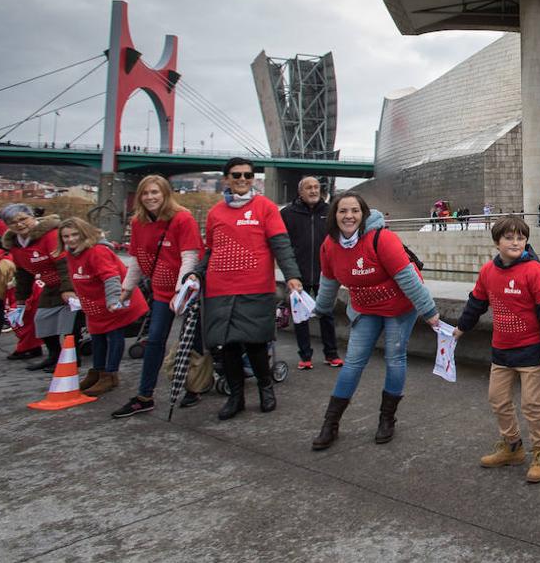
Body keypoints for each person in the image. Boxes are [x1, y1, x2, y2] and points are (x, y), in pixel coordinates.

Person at [310, 192, 440, 450]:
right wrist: (320, 308)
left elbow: (408, 279)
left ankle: (386, 419)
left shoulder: (382, 239)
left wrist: (430, 313)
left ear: (363, 214)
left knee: (394, 357)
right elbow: (329, 280)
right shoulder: (329, 245)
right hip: (365, 307)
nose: (349, 216)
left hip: (398, 305)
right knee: (353, 362)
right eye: (343, 211)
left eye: (355, 211)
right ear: (334, 215)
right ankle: (330, 423)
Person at [185, 158, 303, 420]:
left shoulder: (265, 207)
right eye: (236, 175)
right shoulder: (216, 213)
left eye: (248, 175)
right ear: (226, 178)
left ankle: (265, 388)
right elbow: (211, 251)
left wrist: (292, 275)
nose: (242, 179)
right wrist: (195, 273)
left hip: (255, 287)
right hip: (219, 289)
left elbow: (281, 245)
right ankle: (236, 397)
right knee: (226, 346)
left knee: (256, 343)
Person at [454, 215, 540, 484]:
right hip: (501, 351)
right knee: (498, 399)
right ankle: (512, 446)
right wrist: (460, 328)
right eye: (509, 237)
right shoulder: (488, 272)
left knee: (532, 405)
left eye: (521, 238)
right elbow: (476, 303)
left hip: (532, 351)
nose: (516, 242)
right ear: (496, 242)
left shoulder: (535, 271)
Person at [110, 175, 202, 418]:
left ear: (165, 194)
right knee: (154, 340)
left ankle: (195, 386)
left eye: (155, 192)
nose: (150, 197)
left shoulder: (182, 219)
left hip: (187, 289)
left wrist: (180, 294)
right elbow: (137, 258)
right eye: (145, 193)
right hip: (162, 291)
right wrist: (127, 288)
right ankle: (145, 395)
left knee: (192, 341)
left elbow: (190, 258)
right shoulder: (138, 222)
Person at [59, 217, 148, 397]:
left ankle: (110, 374)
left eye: (75, 235)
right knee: (97, 336)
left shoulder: (97, 251)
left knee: (114, 335)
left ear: (84, 233)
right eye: (66, 236)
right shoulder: (71, 254)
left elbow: (110, 277)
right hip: (95, 304)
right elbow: (75, 278)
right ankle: (98, 371)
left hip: (113, 300)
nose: (71, 240)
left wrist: (113, 300)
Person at [1, 204, 73, 372]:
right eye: (13, 222)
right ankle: (54, 355)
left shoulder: (50, 235)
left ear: (32, 217)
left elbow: (64, 264)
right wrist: (20, 299)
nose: (19, 224)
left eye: (23, 219)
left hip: (70, 281)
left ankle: (69, 360)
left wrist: (68, 290)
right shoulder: (16, 244)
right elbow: (23, 274)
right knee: (42, 319)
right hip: (50, 284)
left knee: (69, 324)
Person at [281, 176, 342, 370]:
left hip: (325, 273)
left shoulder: (330, 211)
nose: (314, 191)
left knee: (327, 315)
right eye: (309, 188)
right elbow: (282, 244)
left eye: (316, 187)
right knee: (300, 316)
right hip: (298, 274)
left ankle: (331, 354)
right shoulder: (288, 213)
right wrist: (289, 272)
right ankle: (305, 356)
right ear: (300, 192)